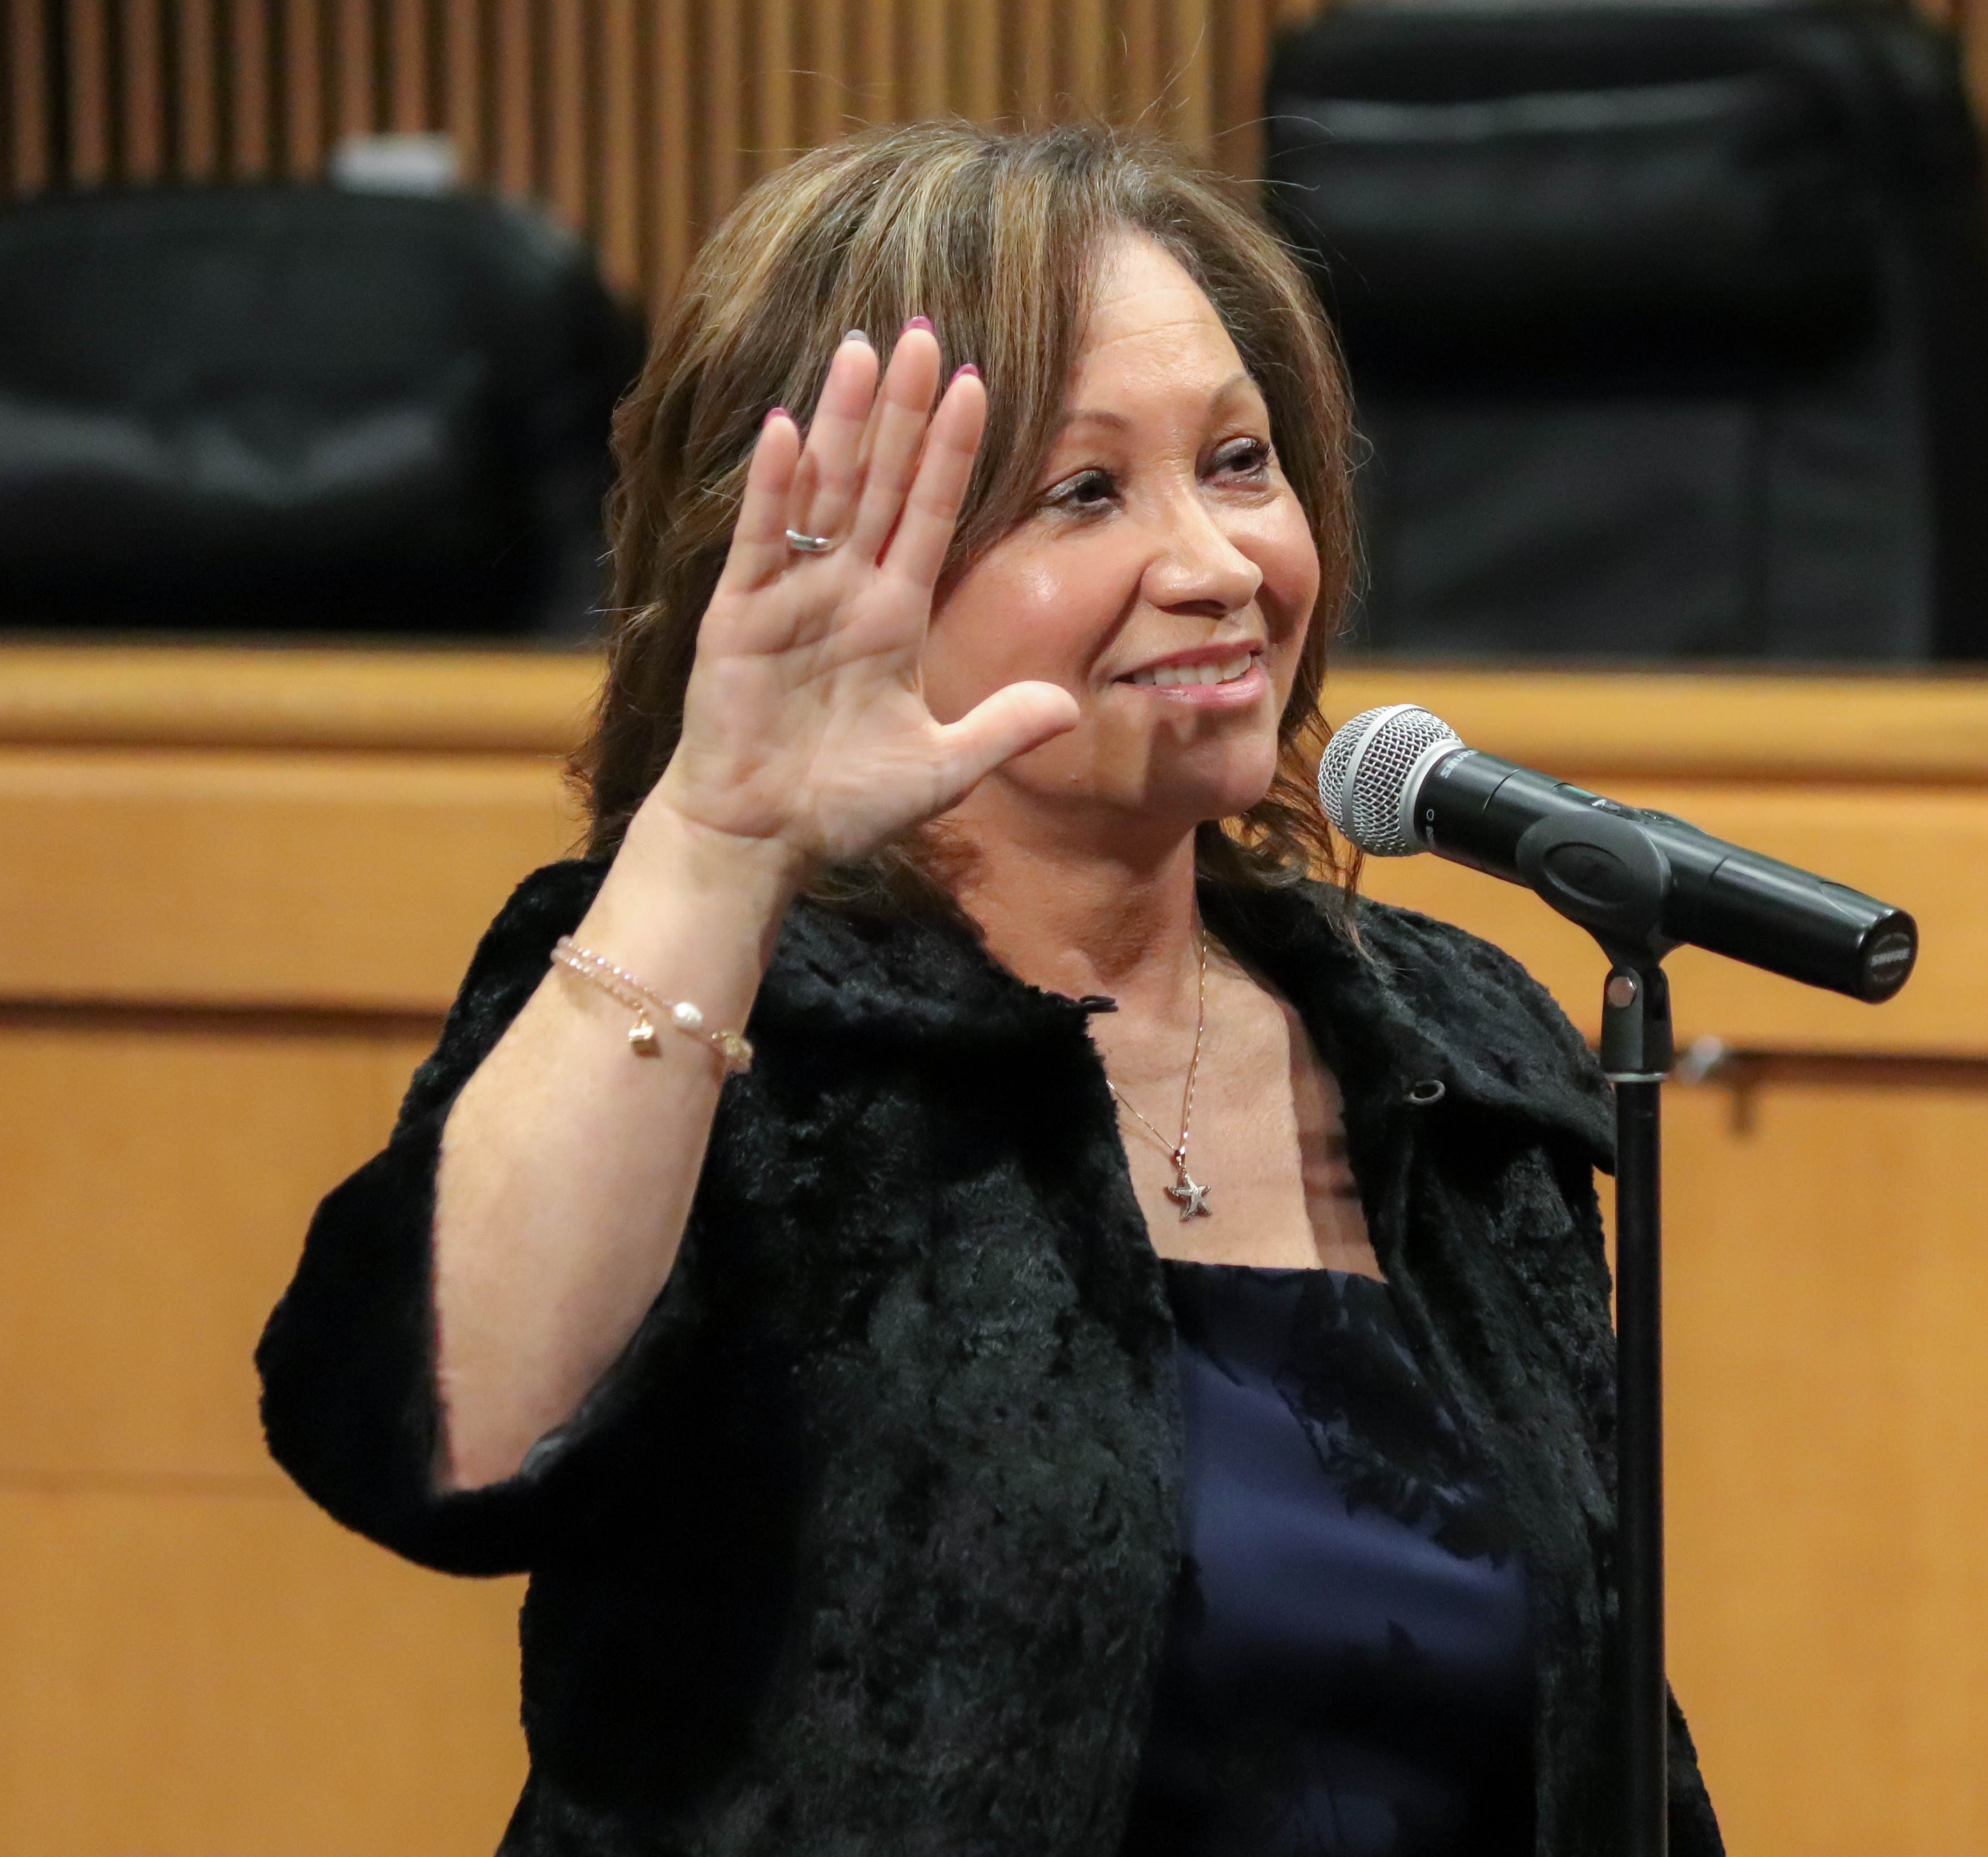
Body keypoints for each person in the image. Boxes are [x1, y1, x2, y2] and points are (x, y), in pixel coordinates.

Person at [257, 120, 1726, 1856]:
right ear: (822, 559)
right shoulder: (716, 1016)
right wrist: (715, 848)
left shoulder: (1445, 1051)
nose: (1216, 564)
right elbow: (449, 1446)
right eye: (1082, 493)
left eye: (1239, 462)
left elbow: (1596, 1733)